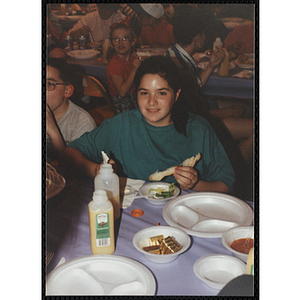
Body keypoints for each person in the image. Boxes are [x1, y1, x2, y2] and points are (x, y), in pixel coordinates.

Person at [61, 56, 235, 193]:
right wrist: (96, 170)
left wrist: (195, 183)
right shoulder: (122, 125)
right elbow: (70, 154)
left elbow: (226, 185)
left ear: (176, 95)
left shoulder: (198, 129)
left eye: (161, 93)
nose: (152, 102)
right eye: (144, 93)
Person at [164, 5, 253, 166]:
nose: (206, 38)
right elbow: (191, 112)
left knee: (246, 108)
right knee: (253, 127)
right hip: (191, 127)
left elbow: (194, 88)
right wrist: (228, 111)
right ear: (198, 38)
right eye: (205, 35)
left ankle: (223, 158)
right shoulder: (178, 65)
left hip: (191, 118)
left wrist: (211, 65)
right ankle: (234, 172)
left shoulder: (175, 54)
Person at [46, 58, 96, 161]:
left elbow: (73, 169)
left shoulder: (82, 122)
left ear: (67, 90)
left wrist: (54, 133)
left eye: (50, 84)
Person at [106, 23, 141, 113]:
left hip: (135, 98)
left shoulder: (133, 60)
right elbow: (122, 93)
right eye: (116, 39)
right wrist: (134, 71)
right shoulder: (115, 64)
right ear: (111, 44)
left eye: (125, 38)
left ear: (132, 42)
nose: (120, 43)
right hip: (122, 105)